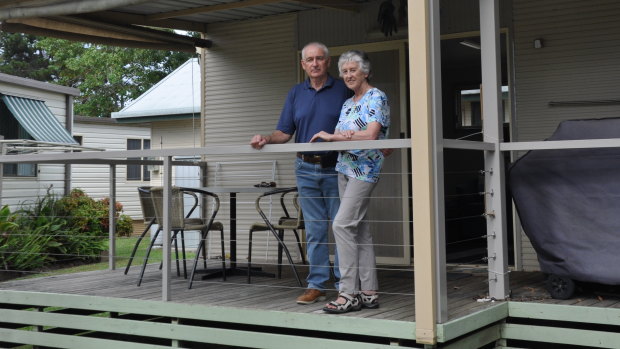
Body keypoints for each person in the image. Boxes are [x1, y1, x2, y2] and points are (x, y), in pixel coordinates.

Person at [250, 42, 352, 304]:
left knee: (340, 227)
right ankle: (316, 285)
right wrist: (265, 138)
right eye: (310, 60)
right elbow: (284, 133)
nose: (315, 63)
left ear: (328, 62)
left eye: (320, 59)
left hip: (336, 166)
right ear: (303, 65)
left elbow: (361, 120)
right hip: (305, 168)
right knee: (316, 230)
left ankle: (345, 286)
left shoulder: (343, 89)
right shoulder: (296, 93)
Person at [310, 50, 390, 314]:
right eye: (344, 72)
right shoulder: (348, 103)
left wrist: (334, 138)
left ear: (365, 72)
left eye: (353, 70)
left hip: (364, 170)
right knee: (359, 229)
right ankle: (368, 291)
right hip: (344, 168)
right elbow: (343, 134)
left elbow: (370, 134)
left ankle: (348, 293)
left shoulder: (376, 97)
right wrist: (338, 137)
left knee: (342, 224)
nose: (348, 75)